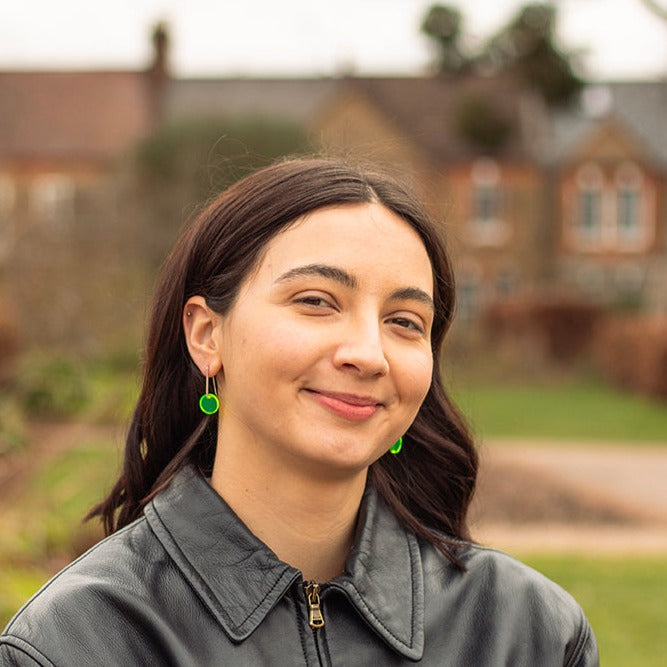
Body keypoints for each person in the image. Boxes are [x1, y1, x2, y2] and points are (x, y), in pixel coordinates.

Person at [0, 158, 598, 666]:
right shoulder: (76, 643)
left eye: (404, 322)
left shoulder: (528, 632)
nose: (368, 354)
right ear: (207, 334)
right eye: (316, 301)